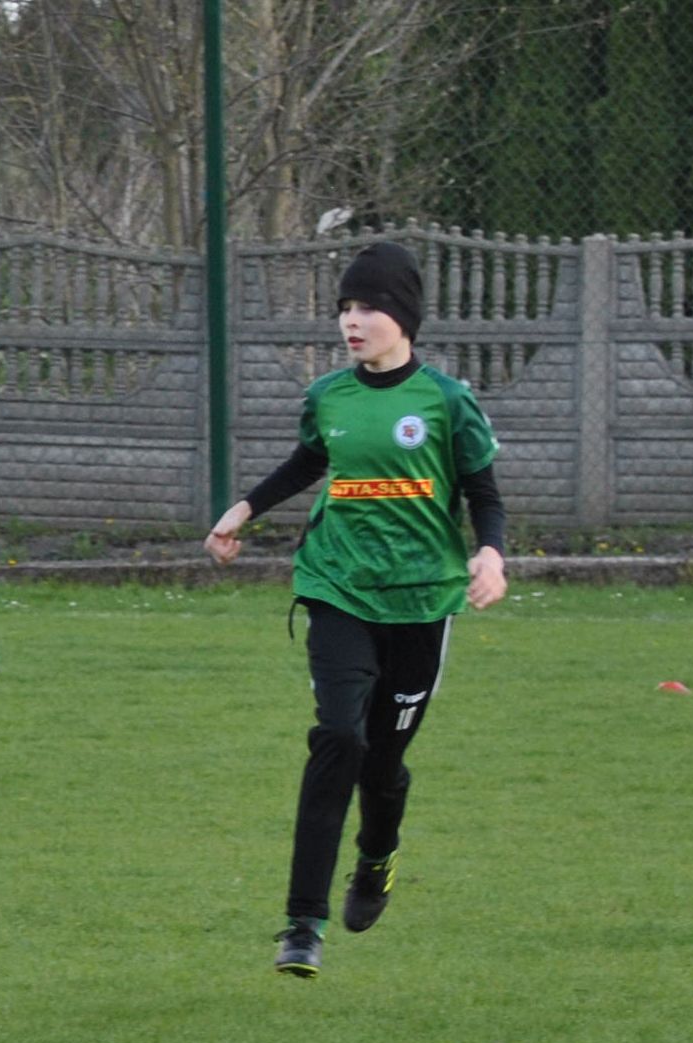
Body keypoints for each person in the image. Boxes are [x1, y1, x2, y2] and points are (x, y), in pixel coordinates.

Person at [204, 240, 507, 978]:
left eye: (367, 307)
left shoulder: (445, 401)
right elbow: (310, 459)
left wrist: (490, 553)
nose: (351, 320)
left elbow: (484, 492)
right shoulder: (330, 397)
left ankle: (376, 859)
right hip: (338, 586)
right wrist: (243, 508)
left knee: (384, 761)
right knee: (338, 737)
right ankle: (301, 924)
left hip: (422, 598)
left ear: (402, 316)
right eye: (344, 307)